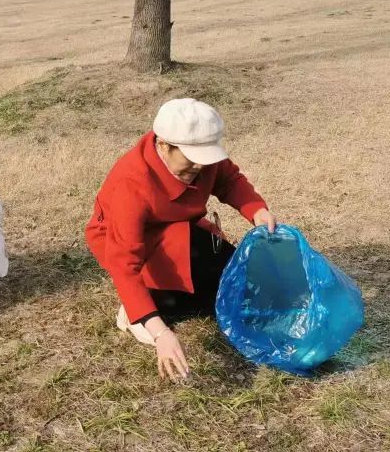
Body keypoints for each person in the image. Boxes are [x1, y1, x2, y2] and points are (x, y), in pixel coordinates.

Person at [85, 98, 277, 380]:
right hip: (132, 241)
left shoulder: (203, 160)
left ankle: (163, 295)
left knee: (232, 289)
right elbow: (124, 262)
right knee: (178, 303)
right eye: (188, 164)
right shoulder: (133, 183)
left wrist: (256, 210)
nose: (198, 170)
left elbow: (229, 179)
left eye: (203, 162)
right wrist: (161, 332)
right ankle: (138, 310)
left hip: (181, 228)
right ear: (163, 144)